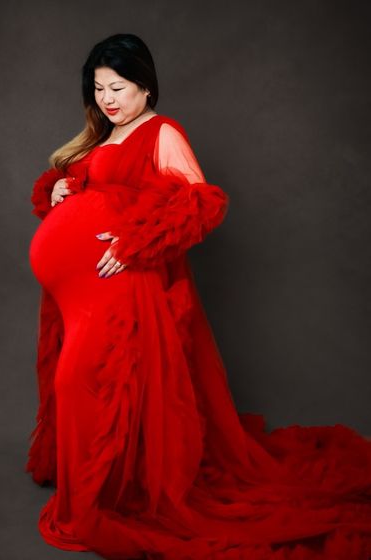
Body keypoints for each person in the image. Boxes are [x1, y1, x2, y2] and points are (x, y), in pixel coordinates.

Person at [26, 33, 371, 559]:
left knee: (88, 383)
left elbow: (199, 204)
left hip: (124, 288)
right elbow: (86, 196)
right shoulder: (101, 138)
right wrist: (57, 189)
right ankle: (95, 489)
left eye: (118, 87)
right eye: (98, 88)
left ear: (145, 86)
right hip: (78, 295)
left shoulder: (162, 132)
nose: (107, 99)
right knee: (79, 384)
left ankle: (97, 502)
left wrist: (137, 241)